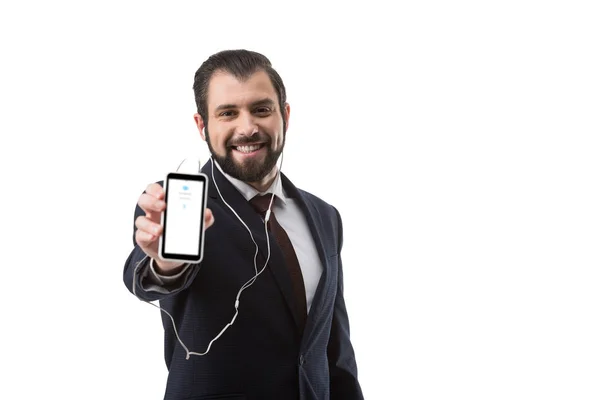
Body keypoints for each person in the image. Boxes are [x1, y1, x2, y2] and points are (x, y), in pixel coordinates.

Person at [123, 49, 364, 400]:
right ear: (202, 126)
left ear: (285, 115)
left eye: (261, 110)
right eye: (228, 113)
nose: (247, 127)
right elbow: (150, 276)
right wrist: (166, 265)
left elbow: (334, 349)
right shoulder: (173, 207)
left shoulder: (324, 216)